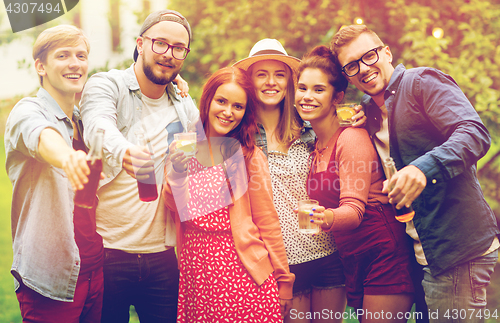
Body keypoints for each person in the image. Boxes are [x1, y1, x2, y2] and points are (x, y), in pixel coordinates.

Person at [331, 25, 500, 322]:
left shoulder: (421, 82)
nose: (363, 68)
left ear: (386, 52)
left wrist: (423, 169)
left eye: (369, 56)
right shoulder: (370, 109)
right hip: (419, 255)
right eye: (352, 65)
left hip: (456, 250)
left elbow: (474, 133)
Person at [79, 10, 199, 322]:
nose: (168, 54)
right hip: (108, 254)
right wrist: (124, 151)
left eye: (178, 48)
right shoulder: (107, 84)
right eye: (160, 43)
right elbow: (97, 124)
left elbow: (199, 150)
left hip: (164, 257)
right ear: (141, 43)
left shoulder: (184, 103)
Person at [163, 66, 294, 322]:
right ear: (207, 100)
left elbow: (267, 222)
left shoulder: (248, 156)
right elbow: (174, 206)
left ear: (245, 112)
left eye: (238, 106)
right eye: (221, 101)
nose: (228, 112)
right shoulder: (185, 147)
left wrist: (284, 280)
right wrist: (177, 171)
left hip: (243, 273)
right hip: (197, 273)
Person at [295, 45, 415, 321]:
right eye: (302, 88)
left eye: (318, 90)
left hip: (383, 252)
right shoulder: (315, 144)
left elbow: (353, 212)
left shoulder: (351, 138)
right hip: (354, 257)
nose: (307, 97)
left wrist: (321, 217)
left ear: (337, 96)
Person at [233, 39, 347, 322]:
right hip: (280, 263)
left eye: (279, 74)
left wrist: (358, 115)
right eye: (262, 74)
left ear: (288, 82)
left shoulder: (310, 127)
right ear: (250, 81)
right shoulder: (237, 136)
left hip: (327, 254)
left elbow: (344, 115)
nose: (271, 82)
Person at [4, 25, 104, 322]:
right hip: (51, 278)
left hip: (96, 270)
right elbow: (41, 135)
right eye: (63, 55)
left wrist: (174, 82)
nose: (75, 63)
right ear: (41, 66)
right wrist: (67, 157)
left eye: (81, 55)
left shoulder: (85, 119)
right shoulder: (26, 110)